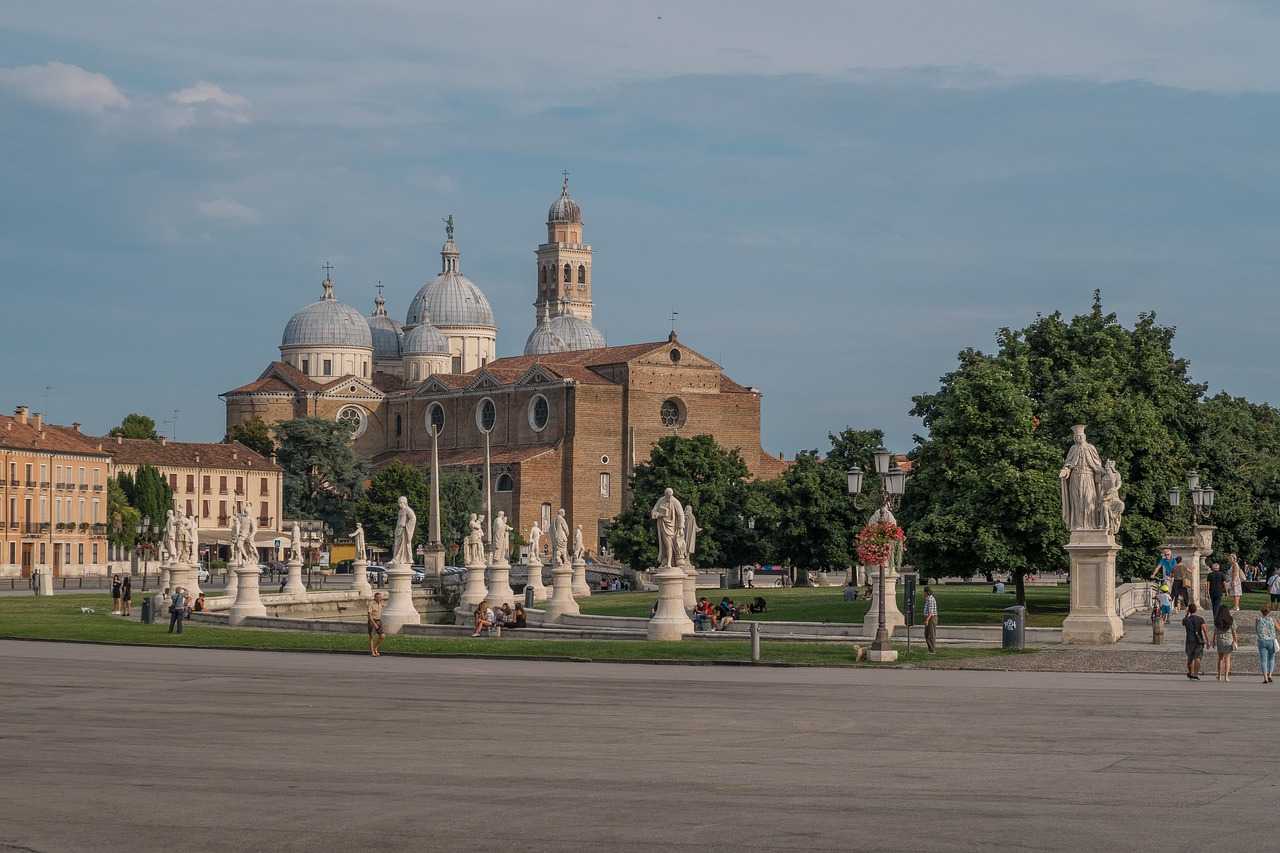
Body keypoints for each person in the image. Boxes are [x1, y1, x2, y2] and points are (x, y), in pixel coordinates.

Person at [1182, 603, 1208, 680]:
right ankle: (1196, 674)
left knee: (1190, 658)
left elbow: (1183, 623)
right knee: (1198, 658)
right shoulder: (1200, 619)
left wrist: (1187, 614)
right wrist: (1207, 640)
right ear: (1196, 610)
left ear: (1189, 610)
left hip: (1189, 640)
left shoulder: (1186, 620)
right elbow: (1204, 630)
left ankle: (1190, 673)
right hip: (1199, 640)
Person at [1214, 606, 1238, 682]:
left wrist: (1213, 640)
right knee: (1227, 659)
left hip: (1220, 640)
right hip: (1228, 640)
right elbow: (1234, 631)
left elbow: (1215, 631)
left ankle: (1219, 675)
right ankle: (1226, 677)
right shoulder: (1231, 620)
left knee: (1220, 659)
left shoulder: (1217, 620)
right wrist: (1235, 640)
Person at [1256, 605, 1277, 684]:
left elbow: (1256, 629)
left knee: (1263, 660)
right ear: (1269, 612)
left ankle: (1265, 678)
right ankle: (1270, 675)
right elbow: (1278, 628)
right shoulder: (1272, 619)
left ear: (1261, 612)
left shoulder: (1258, 619)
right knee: (1271, 658)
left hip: (1261, 640)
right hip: (1271, 641)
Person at [367, 592, 385, 656]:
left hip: (379, 621)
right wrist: (374, 624)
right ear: (375, 597)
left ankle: (375, 648)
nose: (380, 598)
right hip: (372, 621)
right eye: (378, 597)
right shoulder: (371, 604)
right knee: (371, 637)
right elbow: (369, 615)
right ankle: (372, 652)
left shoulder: (380, 603)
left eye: (380, 597)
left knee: (382, 636)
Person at [923, 586, 938, 653]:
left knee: (930, 634)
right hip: (929, 618)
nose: (923, 593)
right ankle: (930, 649)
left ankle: (932, 650)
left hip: (931, 618)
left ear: (927, 592)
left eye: (924, 592)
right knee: (927, 634)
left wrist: (927, 620)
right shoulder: (928, 599)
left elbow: (931, 612)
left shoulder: (930, 599)